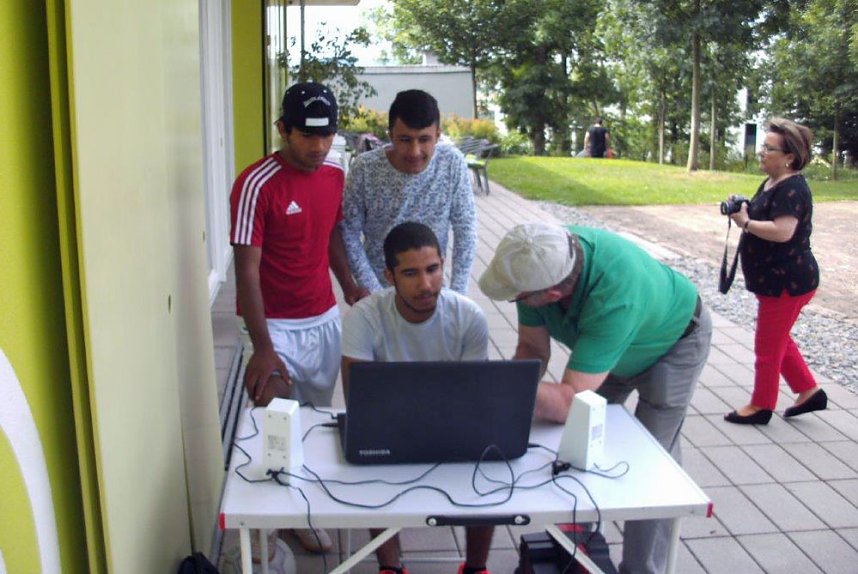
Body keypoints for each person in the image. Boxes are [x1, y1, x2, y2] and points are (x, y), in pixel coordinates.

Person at [479, 222, 712, 574]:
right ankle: (573, 554)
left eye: (519, 297)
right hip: (609, 350)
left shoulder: (616, 294)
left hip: (673, 345)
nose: (517, 301)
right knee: (577, 442)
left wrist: (493, 391)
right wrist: (512, 394)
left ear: (552, 295)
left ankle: (642, 569)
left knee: (651, 464)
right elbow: (531, 349)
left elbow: (569, 399)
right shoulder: (539, 256)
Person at [229, 82, 366, 553]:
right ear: (282, 129)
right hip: (276, 327)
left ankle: (301, 509)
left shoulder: (334, 171)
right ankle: (268, 526)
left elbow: (328, 231)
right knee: (276, 420)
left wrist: (347, 283)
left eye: (327, 134)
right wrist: (263, 347)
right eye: (307, 135)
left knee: (313, 422)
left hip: (323, 321)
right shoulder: (255, 183)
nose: (319, 145)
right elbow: (245, 267)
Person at [341, 222, 492, 574]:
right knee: (367, 457)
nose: (426, 285)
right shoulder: (364, 317)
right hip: (386, 427)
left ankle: (476, 567)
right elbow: (357, 400)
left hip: (454, 428)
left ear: (443, 263)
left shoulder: (469, 316)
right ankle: (390, 567)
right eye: (410, 273)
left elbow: (474, 398)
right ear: (389, 276)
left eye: (433, 269)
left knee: (489, 461)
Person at [723, 118, 825, 425]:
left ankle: (761, 405)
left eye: (769, 148)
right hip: (778, 280)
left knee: (767, 346)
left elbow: (783, 231)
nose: (761, 152)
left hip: (788, 282)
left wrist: (747, 223)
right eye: (763, 146)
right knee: (778, 338)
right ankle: (808, 391)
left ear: (789, 157)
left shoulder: (792, 189)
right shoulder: (772, 182)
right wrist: (742, 209)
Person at [341, 89, 477, 295]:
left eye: (424, 140)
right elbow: (349, 232)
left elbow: (465, 229)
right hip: (380, 290)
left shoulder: (452, 163)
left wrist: (458, 294)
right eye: (405, 140)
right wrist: (375, 292)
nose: (415, 151)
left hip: (431, 291)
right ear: (391, 135)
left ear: (438, 136)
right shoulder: (364, 168)